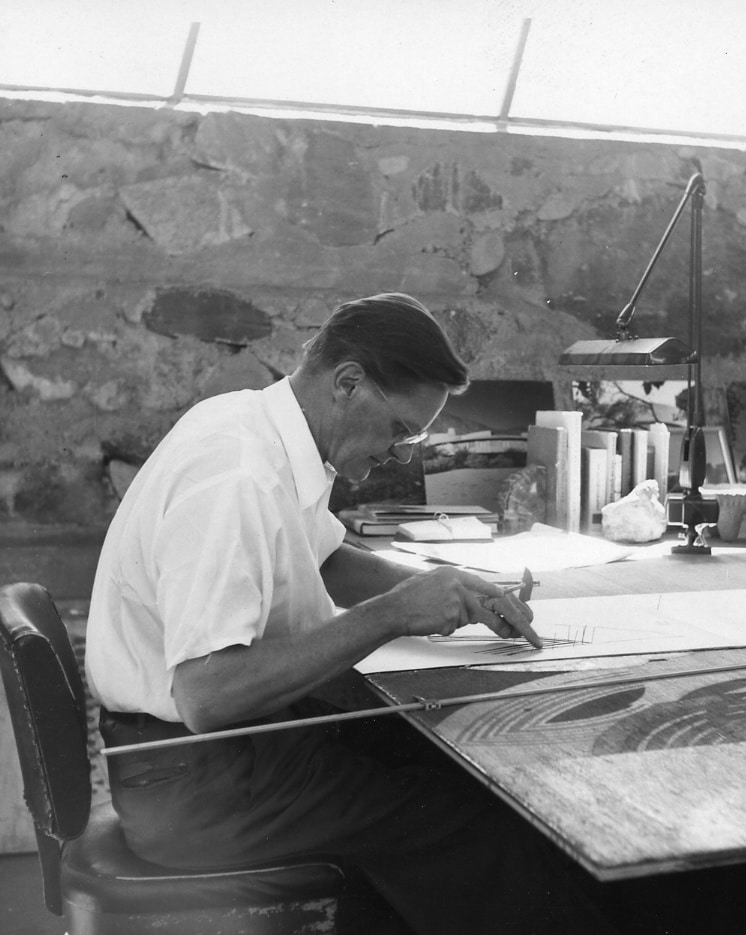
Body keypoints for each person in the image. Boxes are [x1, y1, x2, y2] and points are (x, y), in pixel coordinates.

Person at [86, 293, 618, 935]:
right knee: (471, 822)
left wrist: (448, 586)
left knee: (457, 772)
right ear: (347, 382)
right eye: (400, 431)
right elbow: (207, 694)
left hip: (219, 759)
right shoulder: (235, 475)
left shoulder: (262, 428)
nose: (401, 455)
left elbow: (329, 558)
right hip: (197, 782)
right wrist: (393, 614)